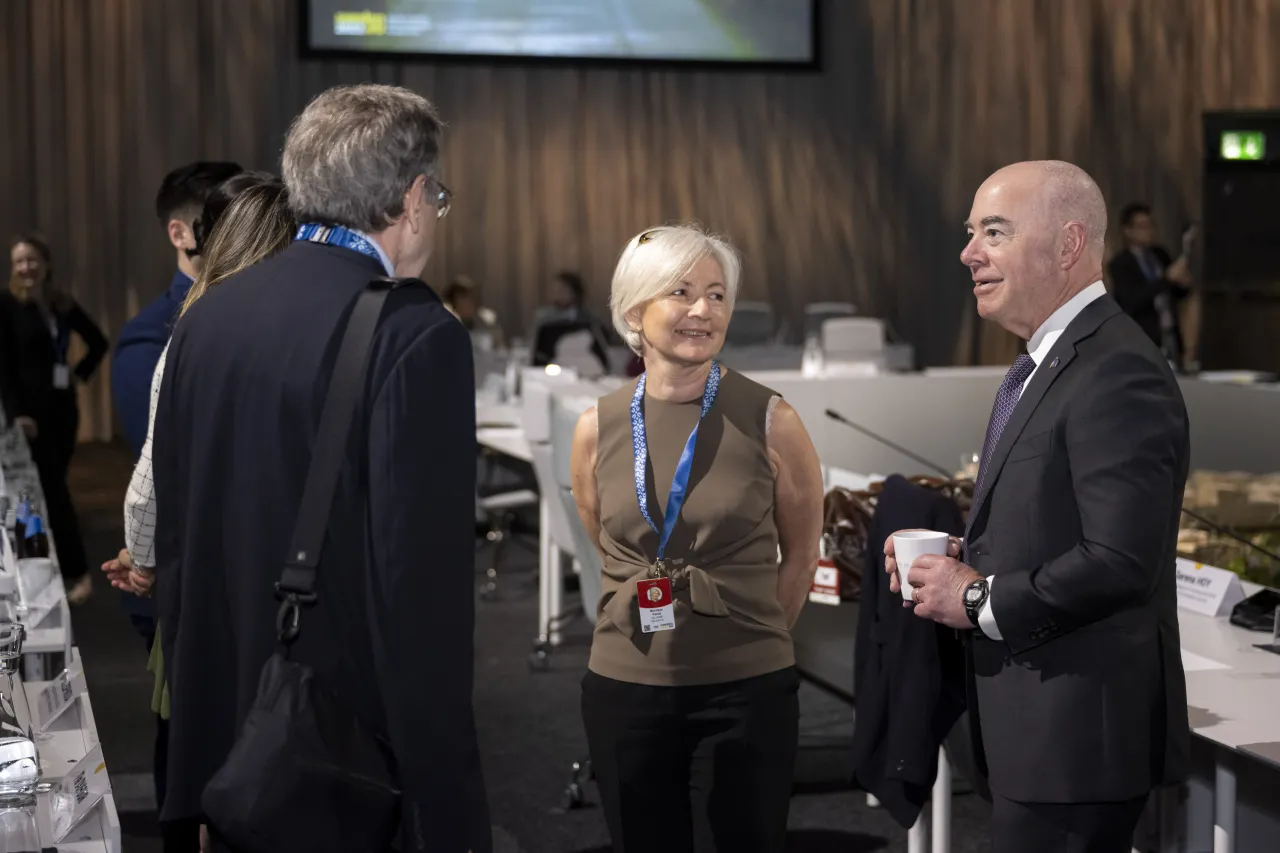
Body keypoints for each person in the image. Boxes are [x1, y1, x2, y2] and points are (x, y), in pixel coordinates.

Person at [150, 83, 490, 853]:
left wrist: (198, 765)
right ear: (410, 198)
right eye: (437, 193)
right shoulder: (415, 333)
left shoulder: (209, 315)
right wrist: (447, 806)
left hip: (229, 743)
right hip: (343, 759)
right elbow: (419, 593)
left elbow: (181, 544)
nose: (435, 211)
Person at [886, 161, 1190, 852]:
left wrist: (977, 598)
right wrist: (959, 560)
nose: (969, 252)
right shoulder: (1053, 361)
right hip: (1044, 731)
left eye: (994, 231)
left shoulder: (1116, 370)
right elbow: (1059, 526)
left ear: (1067, 244)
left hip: (1080, 738)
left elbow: (1119, 559)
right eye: (971, 233)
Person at [570, 224, 824, 853]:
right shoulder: (594, 427)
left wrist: (750, 636)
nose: (703, 311)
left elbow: (802, 555)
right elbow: (606, 545)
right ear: (635, 308)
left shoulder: (772, 419)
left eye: (716, 295)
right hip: (626, 689)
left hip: (746, 692)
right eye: (681, 292)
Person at [101, 175, 293, 852]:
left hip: (204, 582)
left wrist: (144, 557)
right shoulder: (310, 330)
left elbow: (150, 480)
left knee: (202, 749)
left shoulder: (191, 331)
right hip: (291, 581)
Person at [0, 235, 107, 603]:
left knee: (54, 488)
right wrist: (17, 413)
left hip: (63, 412)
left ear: (46, 264)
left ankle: (56, 574)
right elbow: (4, 368)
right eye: (19, 262)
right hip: (30, 418)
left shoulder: (60, 303)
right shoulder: (7, 305)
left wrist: (78, 373)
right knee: (47, 494)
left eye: (32, 260)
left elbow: (98, 341)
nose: (26, 267)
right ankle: (71, 572)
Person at [1107, 202, 1193, 369]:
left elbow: (1177, 293)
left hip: (1169, 333)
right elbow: (1131, 300)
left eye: (1149, 225)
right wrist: (1166, 279)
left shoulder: (1160, 255)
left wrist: (1183, 283)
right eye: (1141, 226)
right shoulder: (1121, 264)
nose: (1147, 231)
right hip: (1142, 335)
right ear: (1127, 230)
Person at [532, 270, 611, 373]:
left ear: (575, 293)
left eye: (562, 290)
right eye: (555, 291)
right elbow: (538, 354)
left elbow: (602, 351)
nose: (557, 294)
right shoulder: (545, 322)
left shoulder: (590, 321)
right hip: (554, 372)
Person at [444, 274, 504, 349]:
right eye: (463, 299)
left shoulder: (486, 320)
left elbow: (499, 348)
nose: (468, 302)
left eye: (470, 298)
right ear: (453, 302)